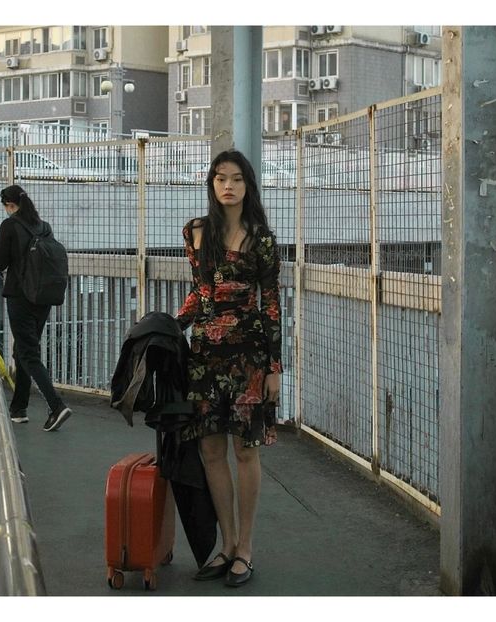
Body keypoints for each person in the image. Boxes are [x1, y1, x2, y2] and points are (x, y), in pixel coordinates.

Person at [175, 150, 283, 587]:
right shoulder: (196, 232)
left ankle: (246, 549)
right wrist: (165, 329)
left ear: (247, 186)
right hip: (204, 354)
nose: (228, 186)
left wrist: (275, 366)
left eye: (237, 179)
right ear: (212, 184)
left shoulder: (262, 239)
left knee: (245, 451)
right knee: (211, 451)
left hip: (249, 357)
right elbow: (199, 294)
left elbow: (271, 303)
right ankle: (227, 543)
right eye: (221, 178)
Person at [0, 184, 72, 431]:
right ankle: (19, 409)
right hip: (43, 298)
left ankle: (56, 406)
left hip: (20, 296)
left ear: (8, 205)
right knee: (24, 350)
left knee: (28, 354)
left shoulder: (10, 226)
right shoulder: (44, 227)